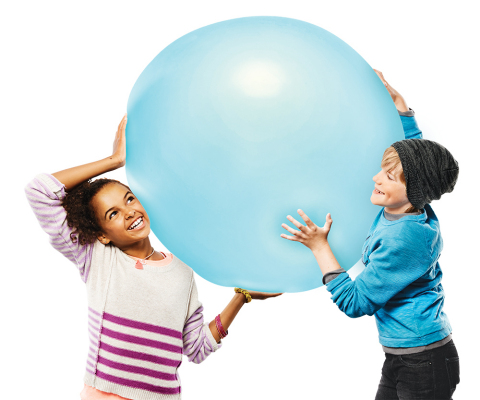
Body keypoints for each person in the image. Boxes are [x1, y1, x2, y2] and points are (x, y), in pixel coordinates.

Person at [25, 114, 281, 400]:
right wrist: (114, 161)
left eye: (130, 199)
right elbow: (39, 191)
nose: (129, 212)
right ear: (102, 235)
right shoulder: (97, 258)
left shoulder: (182, 271)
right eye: (113, 214)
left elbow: (196, 349)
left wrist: (241, 297)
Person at [280, 70, 460, 399]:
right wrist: (400, 108)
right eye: (382, 168)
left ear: (415, 189)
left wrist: (319, 246)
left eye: (389, 177)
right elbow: (417, 159)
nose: (376, 178)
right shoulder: (413, 202)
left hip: (424, 363)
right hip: (405, 356)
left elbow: (355, 302)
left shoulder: (404, 238)